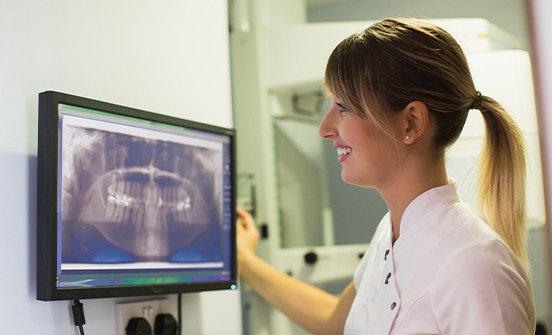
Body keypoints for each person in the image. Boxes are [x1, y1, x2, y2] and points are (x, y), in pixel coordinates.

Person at [237, 17, 536, 335]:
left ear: (410, 123)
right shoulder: (391, 235)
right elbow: (333, 320)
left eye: (343, 106)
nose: (325, 128)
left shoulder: (474, 266)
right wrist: (244, 261)